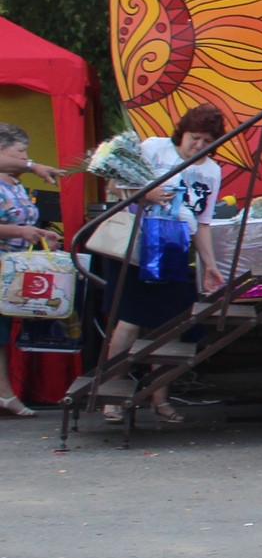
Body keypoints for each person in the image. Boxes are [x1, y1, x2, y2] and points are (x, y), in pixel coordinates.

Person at [100, 105, 224, 424]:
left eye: (207, 140)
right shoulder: (155, 148)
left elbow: (204, 222)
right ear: (182, 133)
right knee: (128, 322)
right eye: (194, 137)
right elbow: (113, 185)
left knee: (174, 325)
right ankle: (111, 396)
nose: (198, 145)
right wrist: (146, 193)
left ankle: (160, 396)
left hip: (173, 246)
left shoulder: (211, 171)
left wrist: (209, 265)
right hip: (136, 245)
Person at [0, 124, 64, 418]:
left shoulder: (14, 184)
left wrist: (39, 235)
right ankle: (6, 394)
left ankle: (5, 394)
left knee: (1, 335)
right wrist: (19, 230)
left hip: (12, 270)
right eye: (21, 152)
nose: (27, 158)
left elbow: (25, 225)